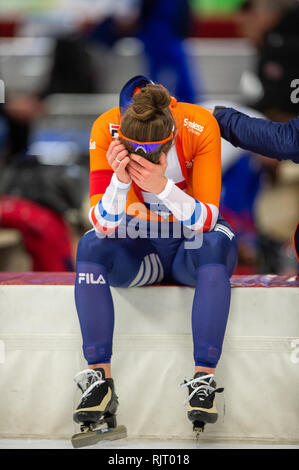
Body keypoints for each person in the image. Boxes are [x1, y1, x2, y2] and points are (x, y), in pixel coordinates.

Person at [71, 76, 238, 446]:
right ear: (120, 134)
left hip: (190, 246)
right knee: (90, 245)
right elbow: (101, 224)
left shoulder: (198, 125)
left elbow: (209, 219)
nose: (142, 159)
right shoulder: (105, 128)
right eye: (134, 151)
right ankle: (100, 380)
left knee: (213, 242)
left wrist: (162, 187)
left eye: (151, 153)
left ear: (173, 137)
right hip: (141, 247)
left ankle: (204, 378)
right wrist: (117, 183)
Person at [212, 105, 299, 262]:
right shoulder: (243, 165)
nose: (279, 159)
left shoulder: (263, 171)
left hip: (258, 239)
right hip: (238, 236)